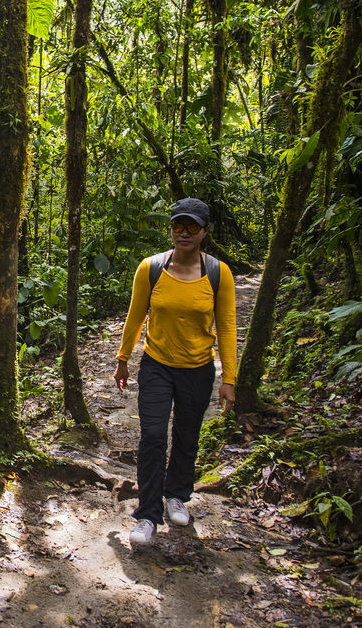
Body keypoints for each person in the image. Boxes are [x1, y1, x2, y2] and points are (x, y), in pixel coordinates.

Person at [113, 197, 237, 546]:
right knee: (152, 436)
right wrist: (123, 359)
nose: (184, 233)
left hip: (198, 369)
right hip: (156, 365)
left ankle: (177, 494)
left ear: (204, 232)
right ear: (171, 229)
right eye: (178, 226)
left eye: (192, 227)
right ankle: (147, 515)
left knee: (187, 435)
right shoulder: (150, 268)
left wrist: (230, 379)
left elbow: (227, 327)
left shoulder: (218, 273)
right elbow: (135, 317)